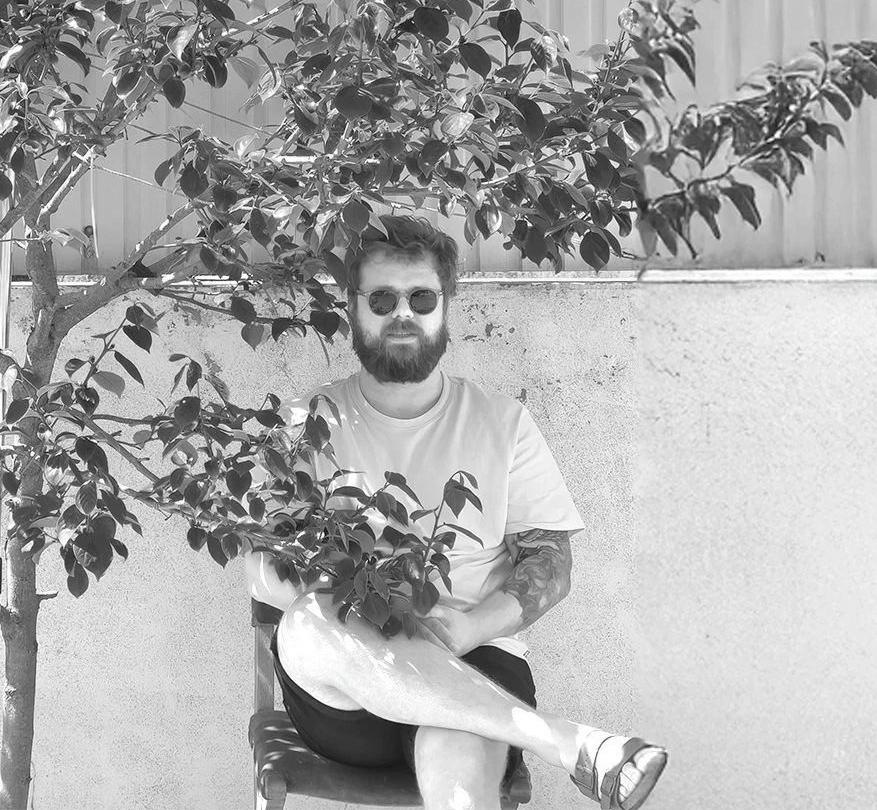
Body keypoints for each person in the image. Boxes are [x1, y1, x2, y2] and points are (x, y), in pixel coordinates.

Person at [243, 214, 668, 810]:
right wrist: (362, 603)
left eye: (420, 297)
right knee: (309, 623)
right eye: (384, 298)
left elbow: (551, 563)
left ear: (445, 305)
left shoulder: (503, 423)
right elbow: (263, 564)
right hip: (347, 694)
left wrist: (463, 629)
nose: (402, 314)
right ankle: (574, 745)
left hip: (476, 660)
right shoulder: (303, 426)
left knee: (460, 776)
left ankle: (567, 744)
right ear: (353, 306)